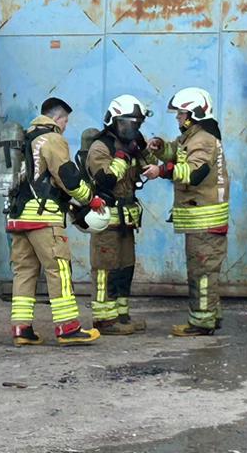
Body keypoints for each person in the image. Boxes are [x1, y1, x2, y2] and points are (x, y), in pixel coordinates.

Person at [6, 96, 102, 346]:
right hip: (44, 218)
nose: (66, 126)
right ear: (58, 118)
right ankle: (68, 328)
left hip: (18, 217)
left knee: (24, 273)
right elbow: (66, 176)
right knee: (58, 269)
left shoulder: (25, 139)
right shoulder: (52, 138)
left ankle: (21, 329)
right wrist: (90, 199)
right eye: (66, 121)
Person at [142, 86, 228, 336]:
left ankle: (201, 323)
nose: (178, 118)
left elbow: (194, 172)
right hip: (200, 220)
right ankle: (211, 316)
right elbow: (176, 151)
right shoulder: (192, 136)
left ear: (193, 114)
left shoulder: (203, 140)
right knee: (205, 272)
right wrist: (159, 147)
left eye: (180, 114)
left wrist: (161, 171)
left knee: (202, 273)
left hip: (206, 220)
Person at [83, 94, 157, 334]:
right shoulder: (100, 147)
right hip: (107, 220)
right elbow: (105, 179)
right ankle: (104, 320)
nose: (133, 128)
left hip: (126, 221)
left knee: (126, 267)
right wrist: (122, 157)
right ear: (114, 121)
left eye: (137, 124)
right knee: (106, 270)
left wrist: (149, 149)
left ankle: (122, 315)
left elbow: (149, 165)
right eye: (128, 123)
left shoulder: (131, 144)